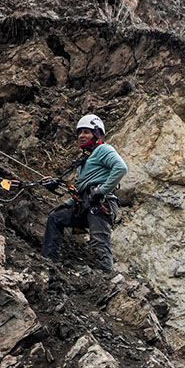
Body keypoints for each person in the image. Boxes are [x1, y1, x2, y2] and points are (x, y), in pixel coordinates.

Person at [42, 114, 127, 271]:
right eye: (80, 132)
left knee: (99, 242)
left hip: (101, 204)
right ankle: (49, 262)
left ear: (96, 134)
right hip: (85, 204)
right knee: (56, 217)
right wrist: (66, 203)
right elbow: (81, 192)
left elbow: (121, 168)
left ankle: (106, 276)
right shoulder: (84, 160)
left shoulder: (103, 149)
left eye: (86, 132)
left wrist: (102, 190)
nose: (81, 136)